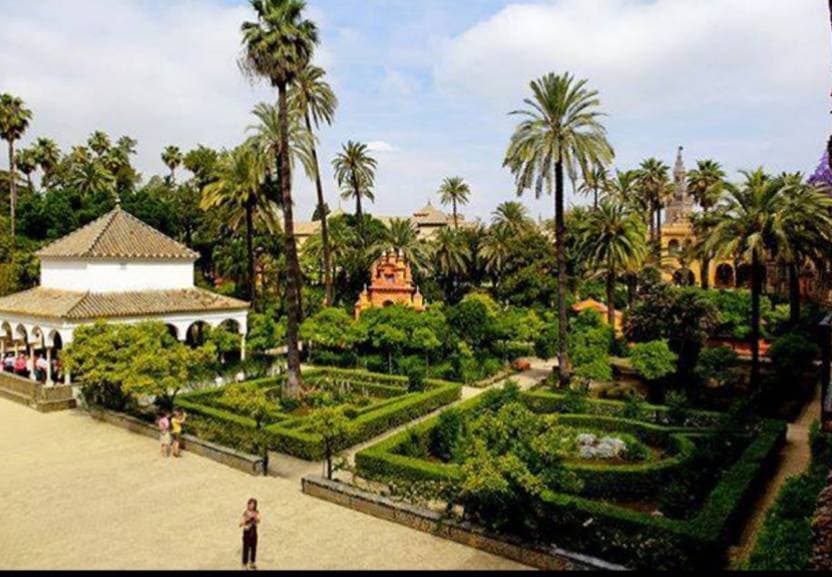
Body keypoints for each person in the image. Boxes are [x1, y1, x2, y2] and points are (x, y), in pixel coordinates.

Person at [239, 498, 261, 570]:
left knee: (253, 548)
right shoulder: (245, 513)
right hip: (247, 532)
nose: (251, 505)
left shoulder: (256, 512)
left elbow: (259, 521)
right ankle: (244, 564)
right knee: (246, 548)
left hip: (254, 532)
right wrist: (247, 520)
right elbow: (240, 524)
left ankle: (252, 562)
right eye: (250, 504)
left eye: (253, 504)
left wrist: (255, 518)